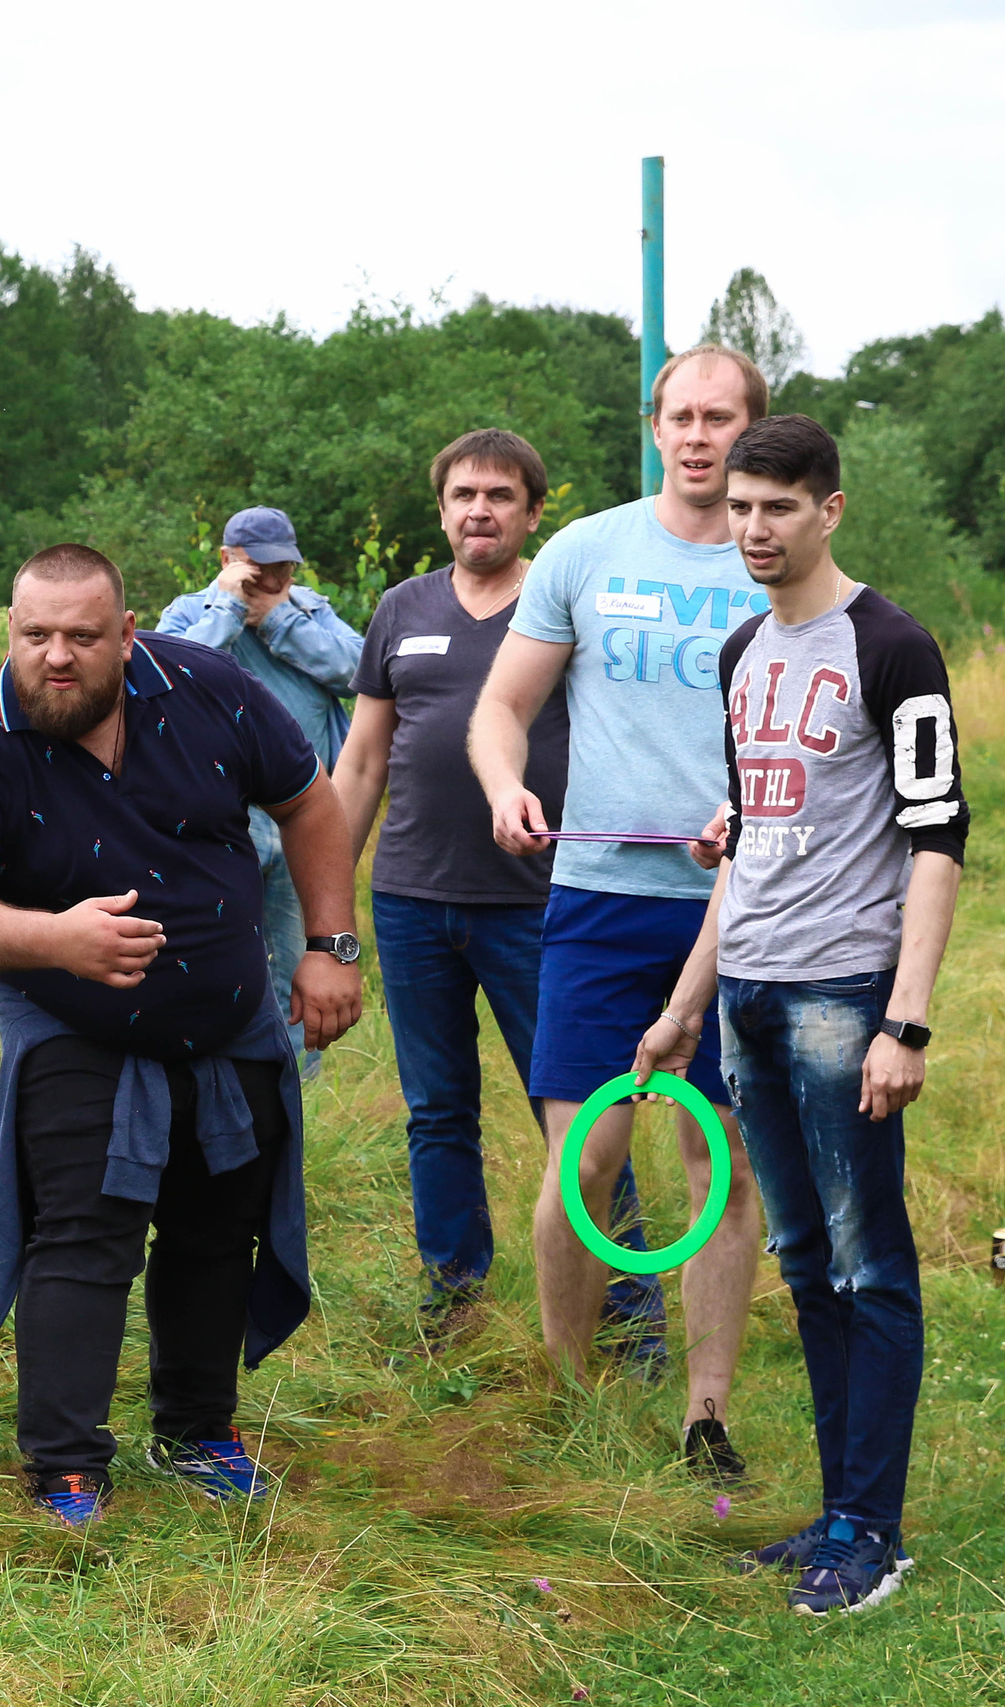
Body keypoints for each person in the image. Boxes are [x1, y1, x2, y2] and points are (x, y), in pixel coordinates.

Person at [0, 544, 364, 1526]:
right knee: (84, 1228)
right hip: (72, 1014)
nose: (54, 657)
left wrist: (329, 944)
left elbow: (309, 801)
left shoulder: (208, 689)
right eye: (34, 636)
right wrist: (55, 941)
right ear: (9, 630)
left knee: (215, 1227)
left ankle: (197, 1432)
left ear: (127, 632)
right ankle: (65, 1464)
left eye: (78, 636)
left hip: (228, 1018)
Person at [632, 414, 967, 1613]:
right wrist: (683, 1008)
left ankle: (870, 1536)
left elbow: (937, 843)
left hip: (844, 998)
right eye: (738, 508)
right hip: (748, 1001)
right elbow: (747, 849)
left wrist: (905, 1020)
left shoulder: (892, 647)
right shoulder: (738, 653)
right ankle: (836, 1514)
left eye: (778, 507)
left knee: (869, 1262)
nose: (754, 529)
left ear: (829, 509)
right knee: (805, 1259)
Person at [466, 345, 769, 1483]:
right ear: (653, 425)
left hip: (741, 913)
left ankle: (704, 1415)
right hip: (597, 902)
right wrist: (507, 786)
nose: (698, 437)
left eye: (721, 418)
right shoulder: (584, 551)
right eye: (680, 416)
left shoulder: (776, 560)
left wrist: (755, 818)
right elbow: (502, 707)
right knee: (581, 1171)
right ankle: (565, 1395)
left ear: (753, 428)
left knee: (721, 1169)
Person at [330, 431, 665, 1345]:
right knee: (437, 1112)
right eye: (463, 494)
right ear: (440, 508)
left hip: (541, 901)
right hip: (410, 901)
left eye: (501, 495)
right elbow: (361, 764)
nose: (480, 509)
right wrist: (327, 906)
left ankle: (629, 1316)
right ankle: (454, 1298)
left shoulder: (563, 603)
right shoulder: (401, 609)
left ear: (532, 511)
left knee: (580, 1114)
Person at [158, 507, 364, 1073]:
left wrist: (279, 622)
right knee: (216, 966)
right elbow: (170, 683)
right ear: (226, 561)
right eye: (259, 568)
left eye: (284, 569)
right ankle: (223, 1088)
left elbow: (361, 671)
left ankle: (299, 1105)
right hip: (224, 822)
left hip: (307, 819)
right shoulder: (187, 615)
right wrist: (227, 608)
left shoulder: (309, 611)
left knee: (307, 969)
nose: (272, 582)